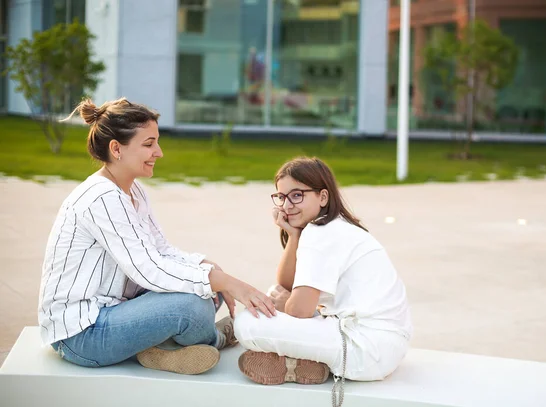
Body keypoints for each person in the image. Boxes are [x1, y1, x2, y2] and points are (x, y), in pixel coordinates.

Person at [38, 97, 275, 375]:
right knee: (192, 305)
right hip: (82, 335)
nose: (159, 152)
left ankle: (159, 350)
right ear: (116, 149)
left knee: (208, 280)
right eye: (149, 144)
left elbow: (160, 250)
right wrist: (226, 282)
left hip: (116, 310)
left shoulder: (133, 191)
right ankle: (216, 338)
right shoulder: (101, 198)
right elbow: (148, 269)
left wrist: (209, 270)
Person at [234, 157, 412, 399]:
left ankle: (296, 359)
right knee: (274, 294)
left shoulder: (321, 233)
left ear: (323, 197)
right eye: (281, 197)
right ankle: (303, 364)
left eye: (297, 195)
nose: (287, 205)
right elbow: (286, 284)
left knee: (247, 324)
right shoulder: (328, 227)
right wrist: (293, 235)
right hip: (379, 344)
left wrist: (279, 305)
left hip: (366, 348)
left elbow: (299, 311)